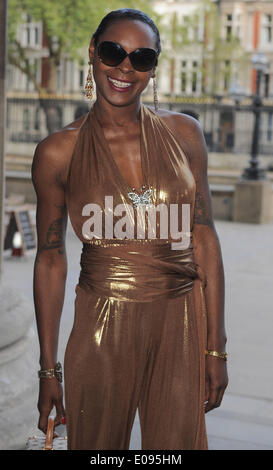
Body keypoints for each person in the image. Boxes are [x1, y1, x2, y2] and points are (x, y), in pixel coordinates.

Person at [31, 8, 228, 450]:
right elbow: (50, 258)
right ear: (92, 54)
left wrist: (216, 346)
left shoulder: (186, 136)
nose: (124, 67)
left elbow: (204, 238)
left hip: (180, 323)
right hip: (99, 327)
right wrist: (48, 370)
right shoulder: (58, 152)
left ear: (153, 68)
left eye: (141, 58)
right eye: (112, 51)